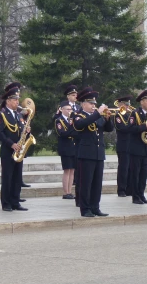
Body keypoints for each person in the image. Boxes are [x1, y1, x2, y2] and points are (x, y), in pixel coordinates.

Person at [72, 88, 114, 217]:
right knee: (86, 183)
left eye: (94, 104)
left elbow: (108, 129)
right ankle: (85, 209)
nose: (93, 106)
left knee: (97, 183)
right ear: (83, 104)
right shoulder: (78, 116)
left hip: (98, 153)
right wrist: (98, 113)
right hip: (86, 153)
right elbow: (80, 125)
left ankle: (95, 207)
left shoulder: (96, 116)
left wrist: (107, 119)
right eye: (91, 103)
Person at [0, 86, 30, 212]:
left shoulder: (19, 115)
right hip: (8, 150)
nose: (17, 102)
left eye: (17, 99)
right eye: (14, 100)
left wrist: (28, 133)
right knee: (8, 178)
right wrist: (11, 144)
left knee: (17, 178)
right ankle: (6, 203)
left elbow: (21, 131)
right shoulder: (2, 114)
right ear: (8, 101)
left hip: (19, 151)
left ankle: (15, 201)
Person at [127, 89, 147, 205]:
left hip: (145, 147)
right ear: (142, 102)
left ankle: (141, 194)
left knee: (143, 174)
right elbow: (131, 129)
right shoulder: (135, 113)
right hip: (136, 147)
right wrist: (145, 126)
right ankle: (135, 196)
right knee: (135, 173)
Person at [55, 100, 76, 199]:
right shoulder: (59, 120)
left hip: (73, 147)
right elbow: (62, 133)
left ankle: (70, 191)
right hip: (65, 147)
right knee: (67, 170)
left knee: (72, 170)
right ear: (62, 109)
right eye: (67, 109)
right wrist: (72, 130)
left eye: (70, 109)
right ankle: (65, 192)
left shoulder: (72, 120)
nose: (69, 111)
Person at [114, 95, 132, 197]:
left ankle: (129, 189)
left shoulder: (130, 115)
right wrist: (133, 125)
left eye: (128, 104)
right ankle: (121, 189)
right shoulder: (118, 116)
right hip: (123, 145)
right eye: (125, 104)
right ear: (120, 105)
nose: (127, 106)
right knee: (123, 168)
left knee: (130, 168)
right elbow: (123, 128)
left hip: (131, 145)